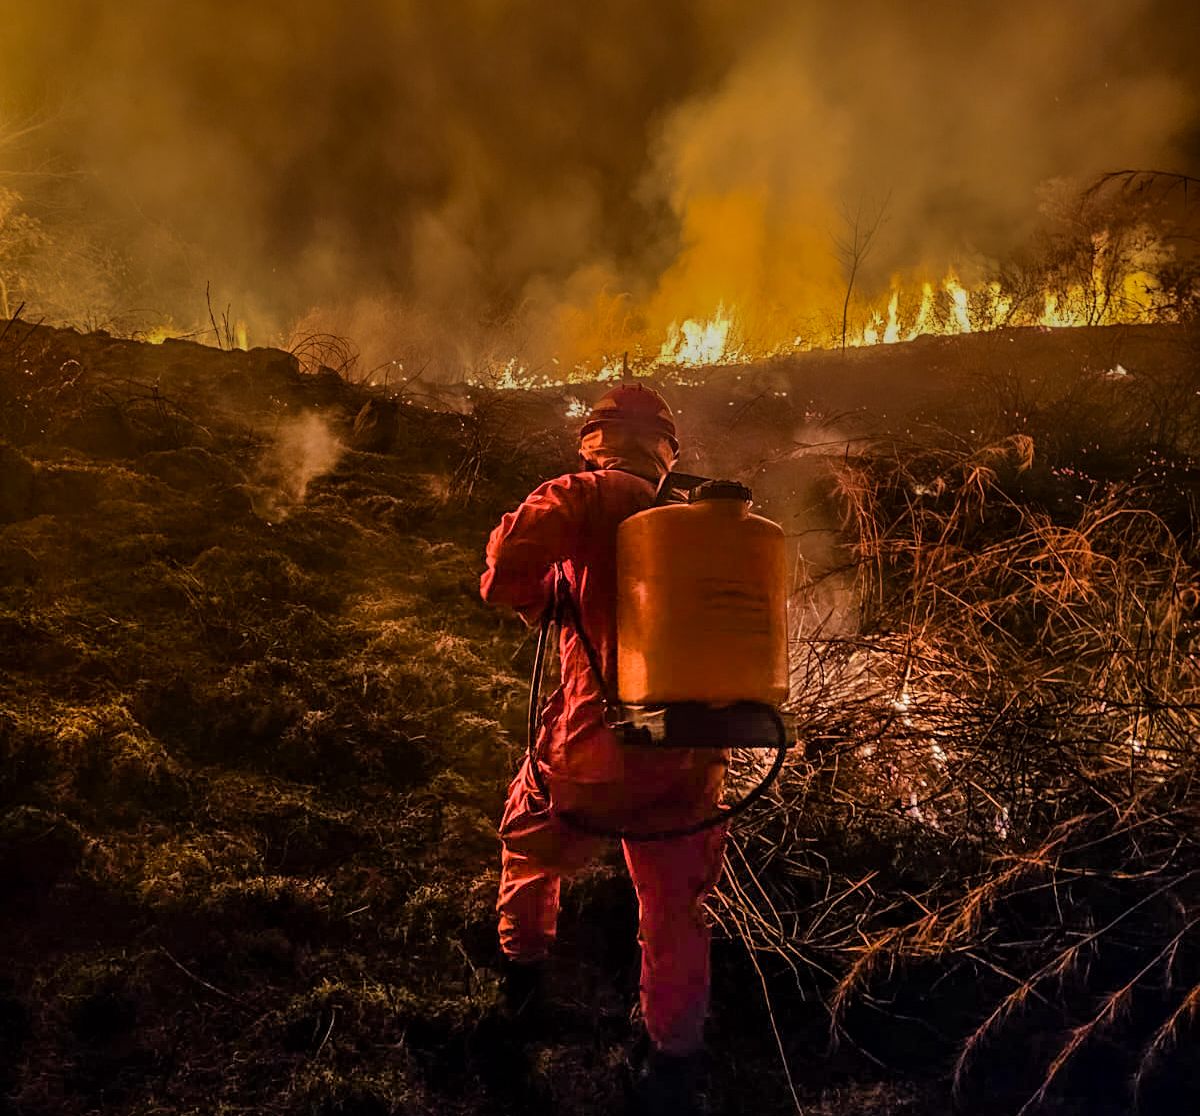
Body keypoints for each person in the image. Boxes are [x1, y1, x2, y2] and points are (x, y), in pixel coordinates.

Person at [480, 383, 727, 1114]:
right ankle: (673, 1067)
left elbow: (499, 576)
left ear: (594, 441)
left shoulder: (585, 497)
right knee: (678, 910)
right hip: (689, 756)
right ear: (665, 454)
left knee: (529, 844)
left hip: (595, 747)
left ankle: (522, 991)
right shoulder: (699, 523)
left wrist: (543, 595)